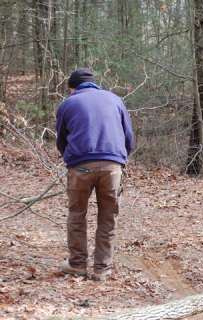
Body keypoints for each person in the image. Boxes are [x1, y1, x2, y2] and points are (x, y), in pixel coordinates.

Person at [56, 68, 134, 281]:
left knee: (77, 214)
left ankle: (77, 265)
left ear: (73, 87)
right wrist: (119, 160)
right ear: (94, 83)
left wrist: (71, 161)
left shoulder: (68, 104)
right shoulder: (115, 99)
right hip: (112, 165)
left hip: (80, 165)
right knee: (107, 217)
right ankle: (102, 269)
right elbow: (129, 137)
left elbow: (61, 140)